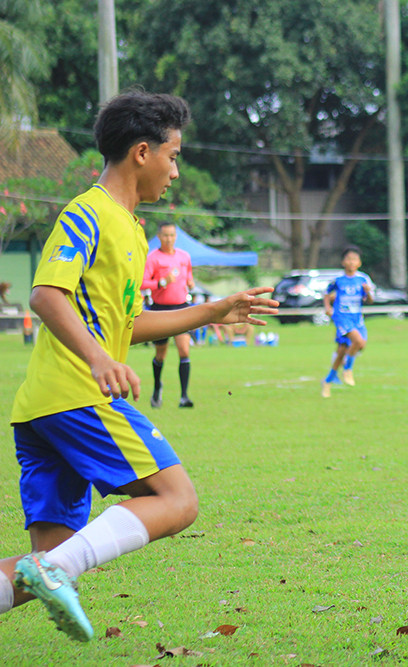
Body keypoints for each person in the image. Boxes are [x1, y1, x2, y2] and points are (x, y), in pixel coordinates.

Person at [1, 90, 278, 642]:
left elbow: (130, 323)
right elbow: (46, 295)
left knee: (44, 565)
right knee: (177, 500)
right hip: (75, 397)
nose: (176, 172)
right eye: (174, 157)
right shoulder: (89, 212)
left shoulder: (130, 228)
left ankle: (52, 567)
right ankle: (58, 569)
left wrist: (214, 310)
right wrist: (100, 359)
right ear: (143, 152)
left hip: (43, 410)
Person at [141, 222, 196, 408]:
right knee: (161, 355)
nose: (169, 239)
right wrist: (161, 282)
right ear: (159, 236)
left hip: (181, 308)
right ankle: (157, 388)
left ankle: (184, 397)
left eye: (172, 235)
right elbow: (143, 283)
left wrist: (190, 282)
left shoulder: (184, 256)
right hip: (160, 310)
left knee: (184, 351)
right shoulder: (153, 258)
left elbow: (188, 275)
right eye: (165, 235)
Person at [320, 246, 373, 395]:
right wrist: (327, 307)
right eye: (348, 259)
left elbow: (369, 300)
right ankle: (348, 369)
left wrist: (368, 292)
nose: (351, 262)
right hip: (342, 317)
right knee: (358, 342)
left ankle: (328, 380)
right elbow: (326, 293)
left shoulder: (363, 279)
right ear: (343, 262)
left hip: (357, 319)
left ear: (359, 262)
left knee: (343, 350)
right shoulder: (338, 280)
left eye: (354, 259)